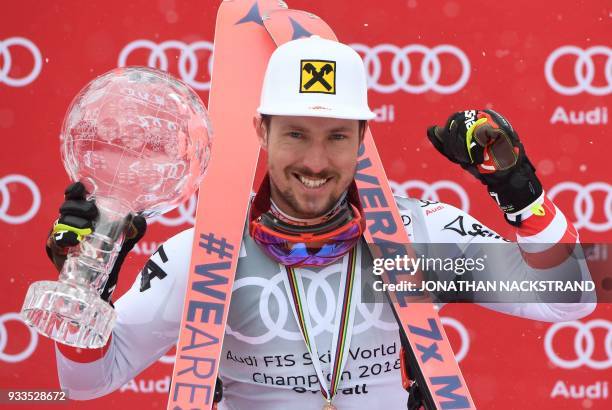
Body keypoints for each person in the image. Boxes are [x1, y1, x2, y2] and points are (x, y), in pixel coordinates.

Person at [49, 37, 595, 409]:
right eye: (296, 134)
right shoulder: (209, 252)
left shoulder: (413, 236)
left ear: (363, 137)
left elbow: (572, 296)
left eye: (336, 136)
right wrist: (87, 282)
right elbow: (87, 381)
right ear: (262, 131)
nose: (314, 161)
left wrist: (521, 194)